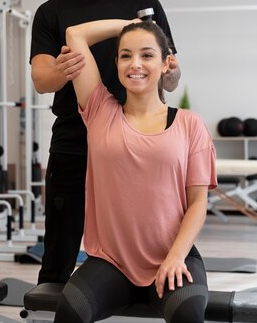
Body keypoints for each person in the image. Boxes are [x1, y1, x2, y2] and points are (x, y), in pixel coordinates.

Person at [30, 0, 180, 285]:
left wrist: (173, 73)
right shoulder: (52, 12)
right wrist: (63, 68)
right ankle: (52, 307)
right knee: (60, 246)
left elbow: (170, 76)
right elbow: (41, 79)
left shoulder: (145, 6)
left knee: (142, 237)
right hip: (74, 140)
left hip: (136, 140)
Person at [54, 19, 217, 323]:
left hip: (172, 256)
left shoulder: (190, 124)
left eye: (147, 54)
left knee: (188, 316)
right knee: (69, 313)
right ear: (116, 62)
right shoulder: (99, 109)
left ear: (167, 63)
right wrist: (132, 24)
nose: (135, 64)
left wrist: (175, 257)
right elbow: (76, 35)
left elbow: (197, 203)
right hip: (110, 262)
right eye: (126, 55)